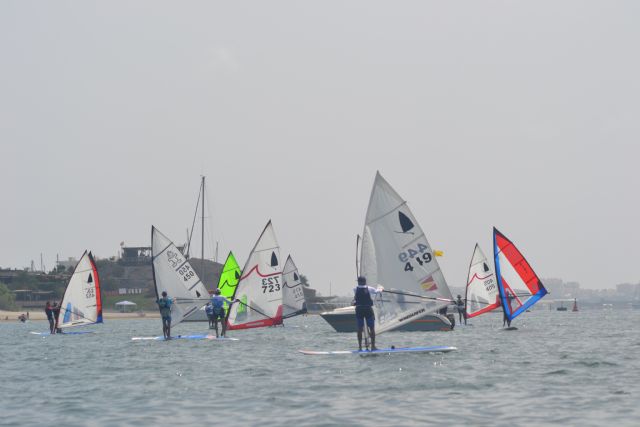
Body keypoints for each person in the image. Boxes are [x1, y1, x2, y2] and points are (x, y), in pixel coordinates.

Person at [352, 276, 383, 351]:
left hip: (359, 310)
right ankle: (373, 346)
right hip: (368, 309)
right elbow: (378, 291)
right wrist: (381, 288)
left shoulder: (355, 289)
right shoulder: (369, 288)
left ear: (359, 282)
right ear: (365, 281)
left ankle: (360, 347)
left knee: (359, 329)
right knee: (371, 328)